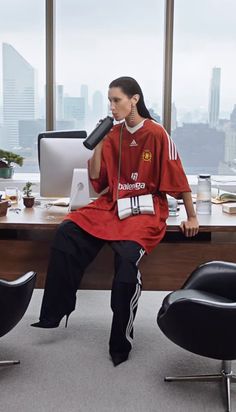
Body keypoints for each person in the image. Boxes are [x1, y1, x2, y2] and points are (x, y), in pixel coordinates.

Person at [31, 76, 199, 366]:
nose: (112, 106)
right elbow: (98, 183)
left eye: (116, 100)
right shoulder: (113, 133)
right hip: (113, 206)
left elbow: (178, 175)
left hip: (144, 211)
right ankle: (55, 311)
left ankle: (121, 342)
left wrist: (191, 215)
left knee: (125, 266)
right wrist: (98, 141)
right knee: (67, 232)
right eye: (109, 100)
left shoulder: (157, 133)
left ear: (134, 99)